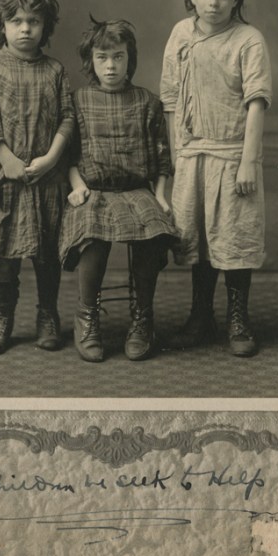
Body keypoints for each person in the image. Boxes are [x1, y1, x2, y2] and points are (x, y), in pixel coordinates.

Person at [160, 0, 272, 356]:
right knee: (199, 238)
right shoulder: (180, 35)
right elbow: (171, 99)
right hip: (192, 154)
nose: (213, 3)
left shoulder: (248, 40)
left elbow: (257, 103)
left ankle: (238, 320)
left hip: (232, 155)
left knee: (234, 236)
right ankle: (201, 316)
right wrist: (177, 154)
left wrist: (247, 161)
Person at [59, 18, 177, 363]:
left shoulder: (146, 101)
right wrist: (78, 187)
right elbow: (69, 155)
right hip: (93, 191)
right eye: (102, 58)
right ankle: (87, 316)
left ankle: (142, 318)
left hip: (137, 190)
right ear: (91, 61)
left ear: (130, 59)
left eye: (119, 57)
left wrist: (160, 195)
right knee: (92, 235)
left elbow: (161, 156)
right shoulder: (78, 100)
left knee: (153, 232)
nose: (111, 66)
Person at [0, 0, 74, 355]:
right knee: (1, 257)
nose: (25, 28)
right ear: (1, 26)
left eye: (33, 21)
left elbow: (66, 117)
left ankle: (48, 314)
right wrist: (6, 158)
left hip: (44, 178)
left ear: (45, 26)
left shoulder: (54, 71)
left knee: (46, 252)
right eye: (15, 21)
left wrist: (51, 158)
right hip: (4, 178)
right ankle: (2, 318)